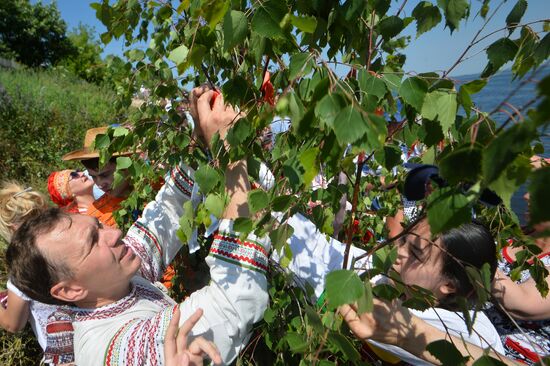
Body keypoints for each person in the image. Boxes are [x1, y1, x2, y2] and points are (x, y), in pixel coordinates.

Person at [6, 87, 270, 366]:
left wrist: (199, 138)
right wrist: (231, 154)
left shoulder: (116, 283)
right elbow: (236, 299)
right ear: (70, 291)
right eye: (93, 241)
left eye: (99, 226)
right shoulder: (116, 350)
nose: (115, 233)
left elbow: (165, 214)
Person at [274, 213, 505, 364]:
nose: (399, 251)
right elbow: (327, 249)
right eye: (403, 240)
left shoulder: (460, 336)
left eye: (415, 253)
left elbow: (322, 286)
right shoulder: (405, 285)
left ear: (448, 285)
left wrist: (267, 233)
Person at [485, 156, 550, 364]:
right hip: (471, 329)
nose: (527, 196)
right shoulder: (514, 234)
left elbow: (521, 303)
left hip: (507, 356)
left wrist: (474, 251)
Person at [0, 182, 57, 353]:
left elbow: (13, 324)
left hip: (65, 354)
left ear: (12, 227)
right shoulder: (69, 243)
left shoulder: (23, 270)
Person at [61, 126, 134, 227]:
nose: (99, 184)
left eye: (105, 175)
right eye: (94, 177)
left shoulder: (157, 186)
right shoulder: (97, 217)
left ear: (126, 163)